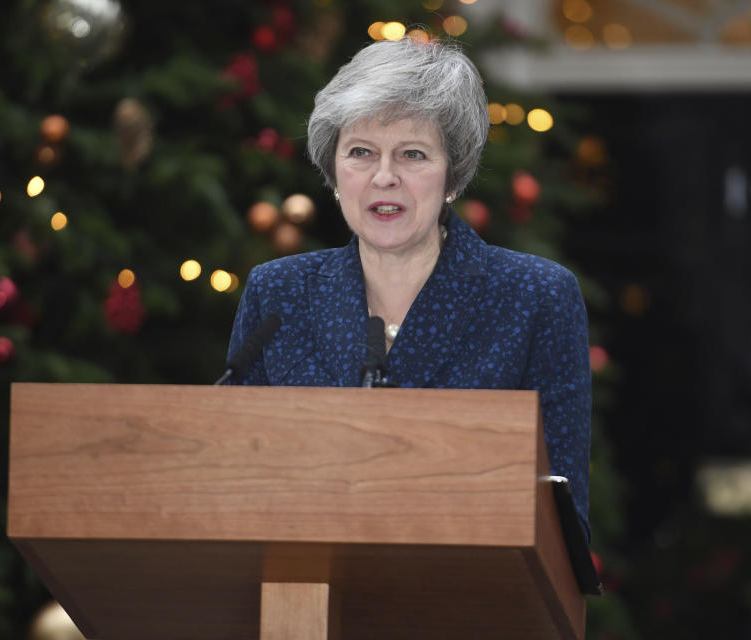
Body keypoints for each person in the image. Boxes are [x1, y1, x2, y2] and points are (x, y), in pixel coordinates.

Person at [227, 36, 592, 539]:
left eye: (412, 154)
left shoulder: (535, 297)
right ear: (333, 172)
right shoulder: (278, 294)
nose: (383, 177)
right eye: (360, 152)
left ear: (453, 177)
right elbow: (237, 483)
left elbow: (563, 516)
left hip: (470, 600)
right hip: (305, 594)